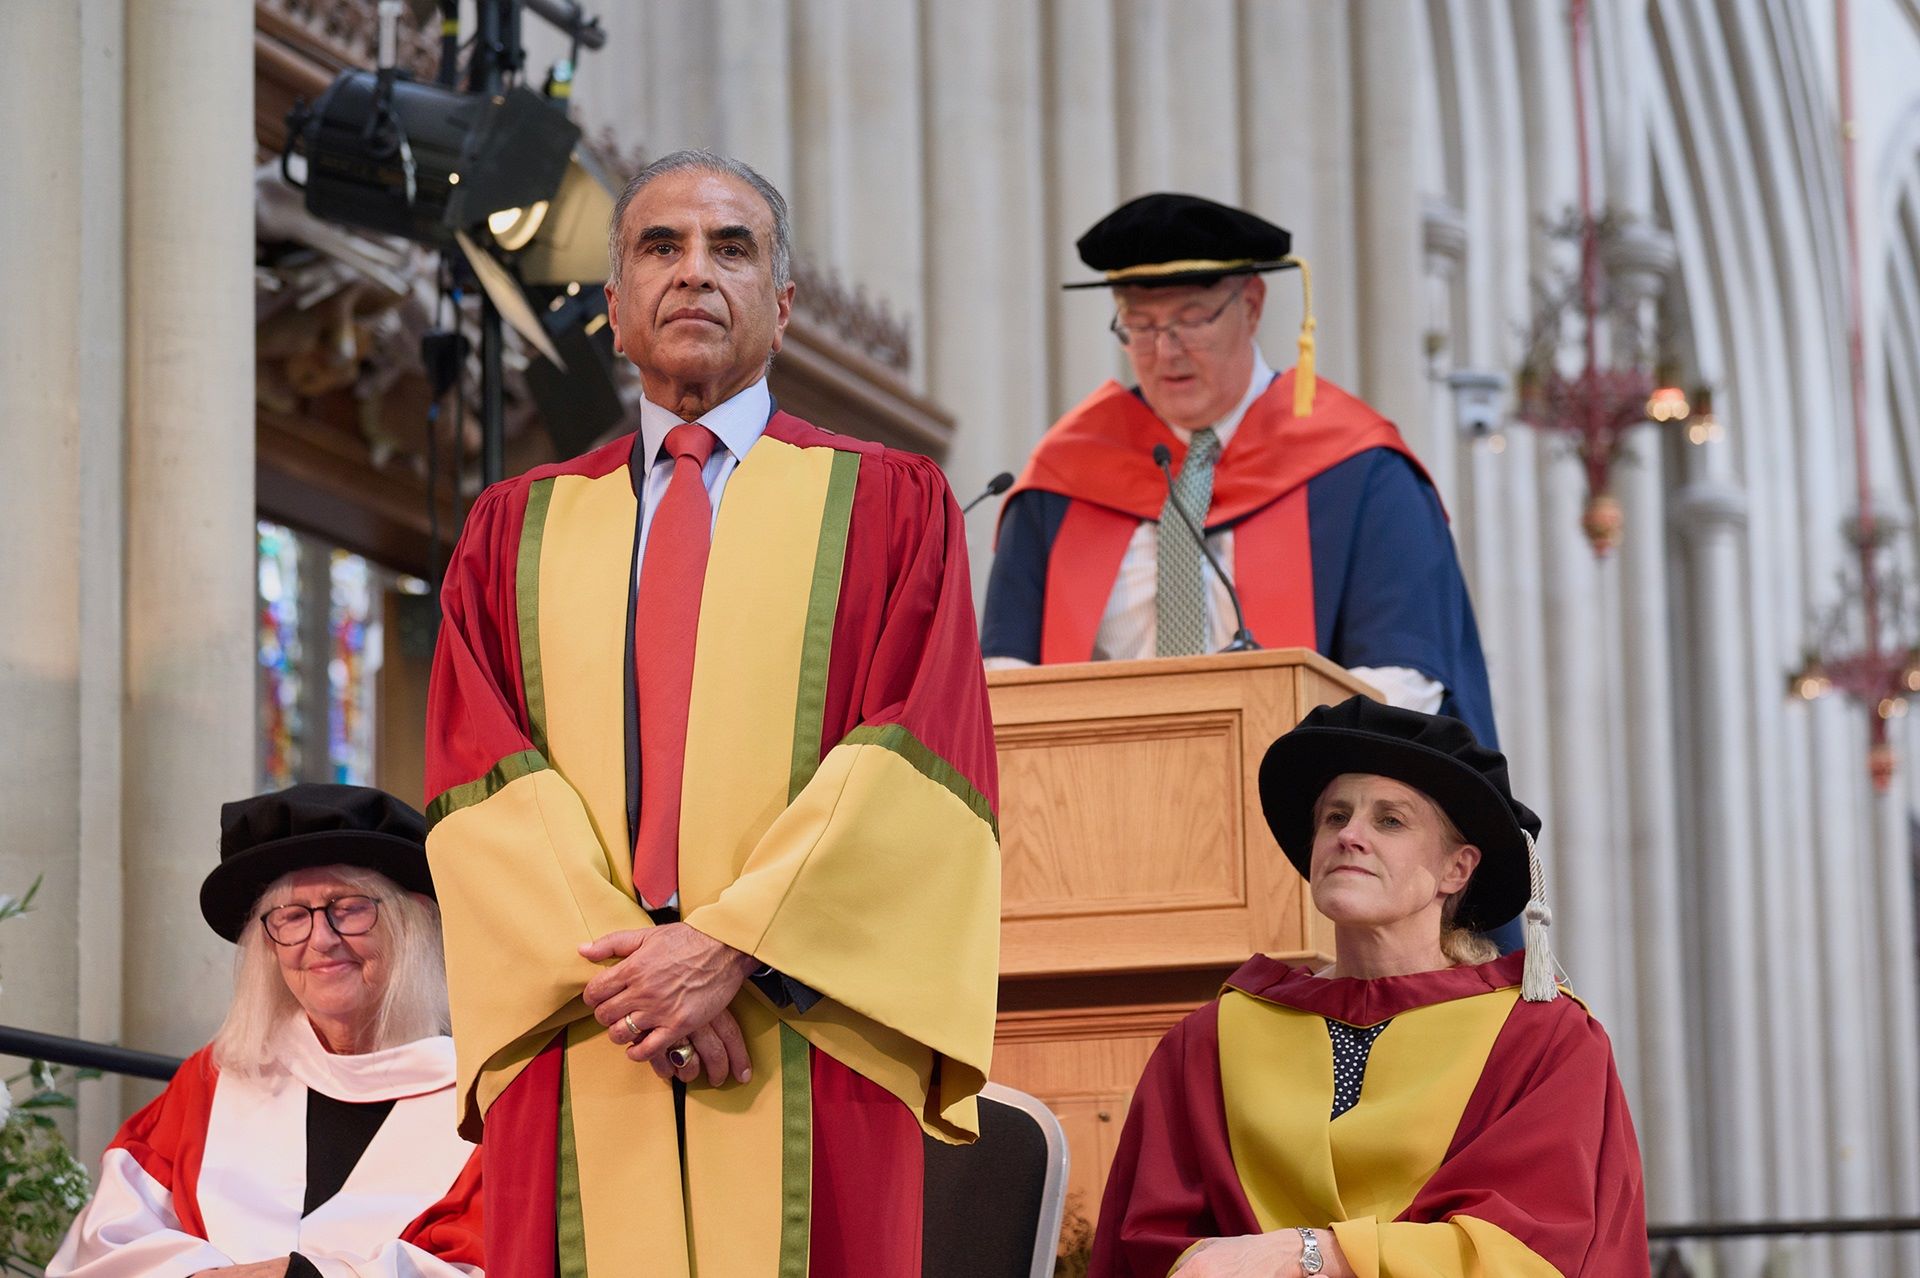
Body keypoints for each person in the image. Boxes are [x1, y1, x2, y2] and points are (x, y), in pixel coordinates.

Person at [423, 148, 1001, 1277]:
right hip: (593, 1028)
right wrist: (640, 982)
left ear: (780, 308)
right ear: (617, 312)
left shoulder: (887, 505)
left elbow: (917, 754)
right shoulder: (515, 531)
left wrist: (732, 947)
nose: (695, 272)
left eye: (730, 248)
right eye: (660, 247)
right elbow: (475, 776)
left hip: (803, 1019)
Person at [1090, 696, 1648, 1277]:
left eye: (1390, 820)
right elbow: (1144, 1247)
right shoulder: (1208, 1042)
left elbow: (1535, 1250)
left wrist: (1308, 1253)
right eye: (1335, 816)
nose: (1350, 835)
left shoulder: (1541, 1039)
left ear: (1457, 869)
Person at [981, 193, 1498, 746]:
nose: (1165, 351)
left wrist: (1261, 754)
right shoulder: (1064, 479)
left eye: (1191, 320)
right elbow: (1002, 683)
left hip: (1302, 810)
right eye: (1140, 325)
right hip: (1094, 805)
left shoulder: (1359, 469)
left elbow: (1404, 683)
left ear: (1252, 304)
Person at [49, 784, 482, 1278]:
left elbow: (493, 1259)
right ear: (269, 947)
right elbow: (109, 1237)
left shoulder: (485, 1101)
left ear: (415, 923)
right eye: (292, 916)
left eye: (351, 907)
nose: (321, 939)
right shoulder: (214, 1080)